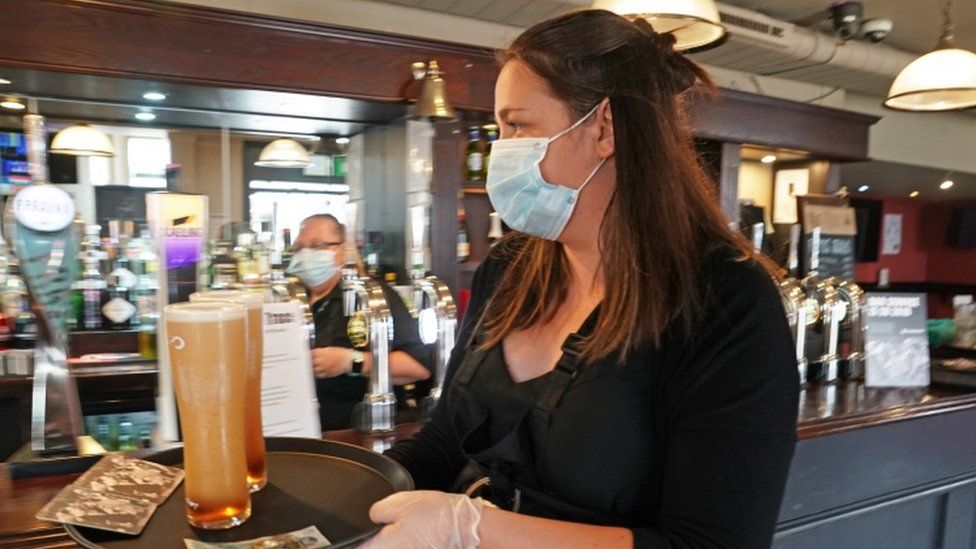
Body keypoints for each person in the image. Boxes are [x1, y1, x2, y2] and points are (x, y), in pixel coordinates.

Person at [363, 10, 800, 549]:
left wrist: (475, 528)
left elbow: (712, 543)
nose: (502, 147)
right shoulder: (512, 267)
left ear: (604, 128)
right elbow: (446, 441)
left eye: (518, 125)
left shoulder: (724, 299)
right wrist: (346, 496)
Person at [286, 214, 432, 430]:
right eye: (299, 248)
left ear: (341, 251)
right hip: (299, 431)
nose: (306, 254)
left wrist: (351, 361)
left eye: (317, 245)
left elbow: (418, 367)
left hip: (357, 432)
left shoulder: (371, 297)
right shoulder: (289, 300)